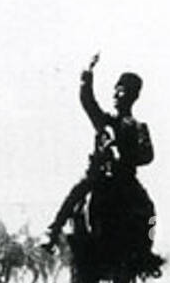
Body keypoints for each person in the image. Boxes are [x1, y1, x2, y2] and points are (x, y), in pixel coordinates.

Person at [43, 54, 156, 257]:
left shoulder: (140, 128)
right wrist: (88, 73)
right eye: (115, 90)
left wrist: (127, 156)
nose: (115, 94)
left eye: (120, 91)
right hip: (99, 177)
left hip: (125, 179)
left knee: (148, 209)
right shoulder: (104, 121)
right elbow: (87, 101)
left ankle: (145, 251)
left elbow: (148, 155)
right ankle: (53, 230)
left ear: (132, 96)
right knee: (77, 192)